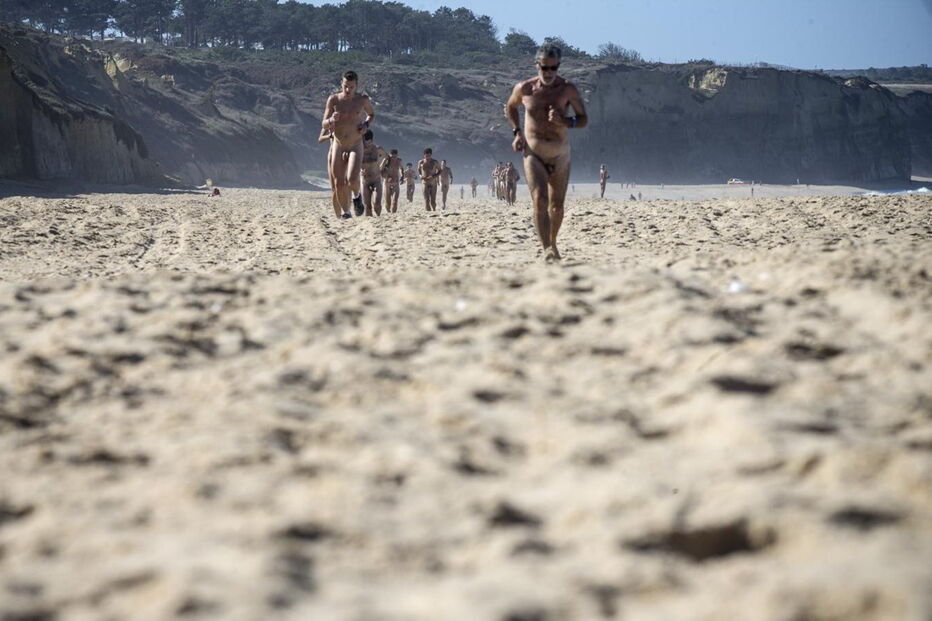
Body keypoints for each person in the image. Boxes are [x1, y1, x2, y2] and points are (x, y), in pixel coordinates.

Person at [505, 43, 587, 261]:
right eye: (544, 68)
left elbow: (583, 119)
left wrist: (565, 121)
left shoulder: (567, 89)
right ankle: (547, 249)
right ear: (537, 65)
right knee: (540, 199)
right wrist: (517, 133)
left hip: (561, 154)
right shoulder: (524, 88)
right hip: (534, 153)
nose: (549, 73)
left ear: (558, 66)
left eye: (554, 68)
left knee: (557, 207)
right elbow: (510, 107)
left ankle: (553, 242)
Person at [321, 70, 375, 219]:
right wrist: (331, 120)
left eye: (351, 87)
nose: (347, 90)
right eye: (345, 86)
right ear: (341, 83)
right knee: (338, 182)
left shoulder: (362, 100)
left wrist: (366, 125)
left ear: (356, 86)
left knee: (351, 179)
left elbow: (371, 114)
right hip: (338, 143)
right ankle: (346, 212)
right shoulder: (333, 100)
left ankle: (357, 196)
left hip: (355, 143)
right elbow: (324, 123)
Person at [360, 130, 386, 216]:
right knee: (367, 206)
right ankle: (370, 225)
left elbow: (387, 157)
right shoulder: (359, 150)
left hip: (376, 179)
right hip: (365, 180)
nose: (362, 143)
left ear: (370, 140)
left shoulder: (378, 149)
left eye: (364, 141)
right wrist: (360, 170)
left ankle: (379, 221)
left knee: (377, 205)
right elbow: (352, 163)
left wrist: (382, 167)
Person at [381, 148, 403, 213]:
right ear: (389, 155)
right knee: (388, 202)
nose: (393, 158)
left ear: (397, 155)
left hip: (396, 182)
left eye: (395, 156)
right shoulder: (386, 160)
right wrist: (386, 177)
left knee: (395, 201)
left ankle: (393, 215)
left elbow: (401, 169)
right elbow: (380, 169)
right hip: (386, 183)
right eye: (392, 156)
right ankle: (388, 212)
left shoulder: (399, 161)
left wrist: (402, 176)